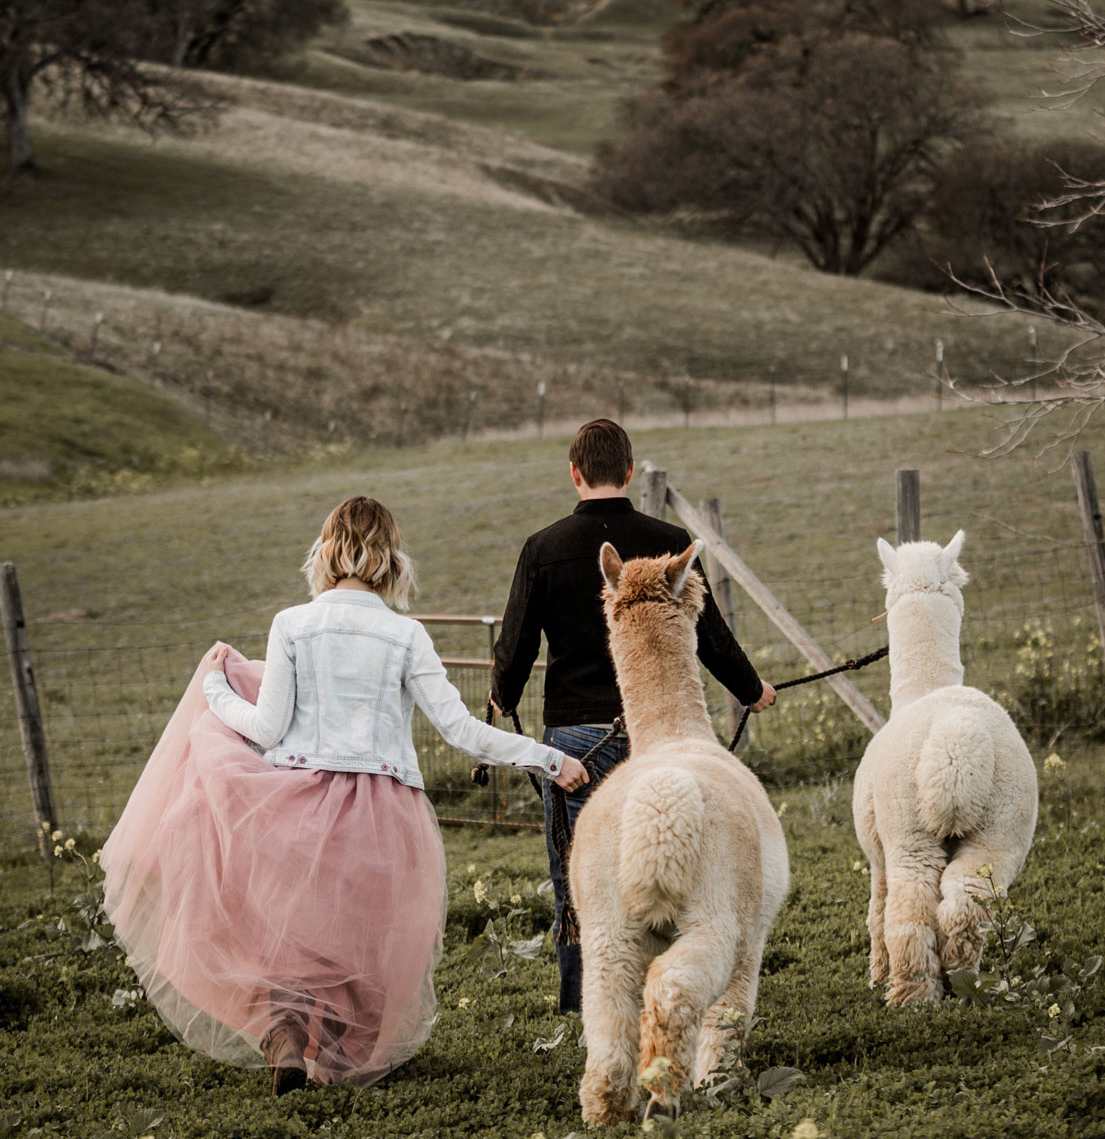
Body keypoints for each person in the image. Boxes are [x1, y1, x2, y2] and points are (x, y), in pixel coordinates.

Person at [100, 495, 588, 1095]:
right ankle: (333, 1056)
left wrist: (215, 690)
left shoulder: (292, 625)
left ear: (326, 551)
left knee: (293, 930)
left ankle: (286, 1038)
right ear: (391, 558)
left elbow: (267, 729)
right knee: (358, 939)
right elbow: (461, 732)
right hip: (382, 813)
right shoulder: (406, 636)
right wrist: (548, 756)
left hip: (295, 802)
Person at [491, 419, 776, 1013]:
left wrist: (503, 698)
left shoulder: (542, 550)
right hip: (658, 729)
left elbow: (515, 645)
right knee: (682, 853)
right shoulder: (667, 541)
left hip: (575, 742)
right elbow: (712, 634)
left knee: (585, 879)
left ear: (574, 473)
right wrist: (751, 690)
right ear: (628, 470)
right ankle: (681, 973)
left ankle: (586, 1003)